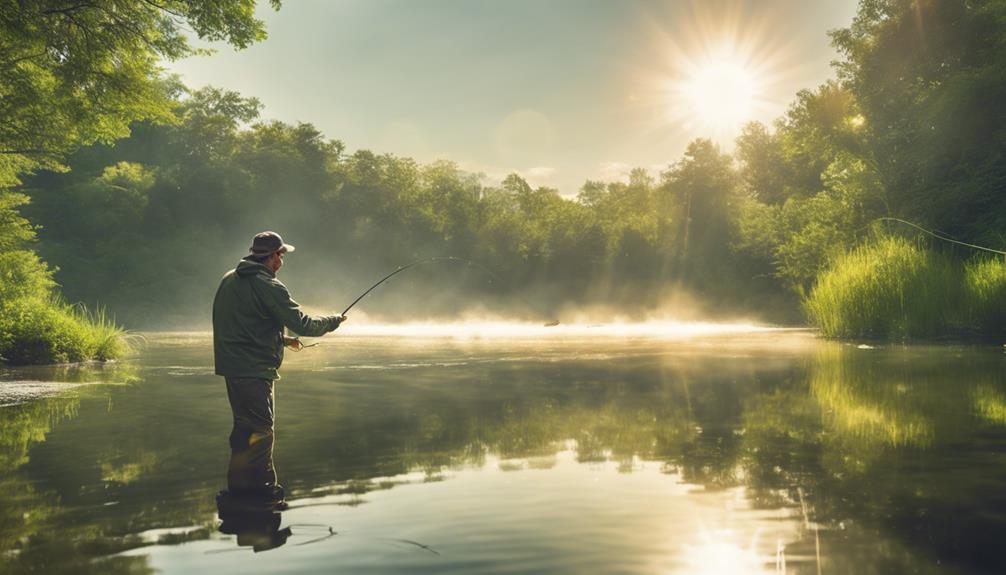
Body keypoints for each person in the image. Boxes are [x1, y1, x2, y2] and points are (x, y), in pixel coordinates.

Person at [212, 231, 344, 507]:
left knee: (243, 427)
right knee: (262, 430)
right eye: (281, 255)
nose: (282, 261)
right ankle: (260, 495)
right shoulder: (269, 286)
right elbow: (304, 325)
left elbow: (241, 321)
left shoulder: (229, 279)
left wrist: (280, 339)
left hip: (232, 367)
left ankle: (239, 491)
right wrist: (333, 320)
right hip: (254, 369)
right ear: (272, 257)